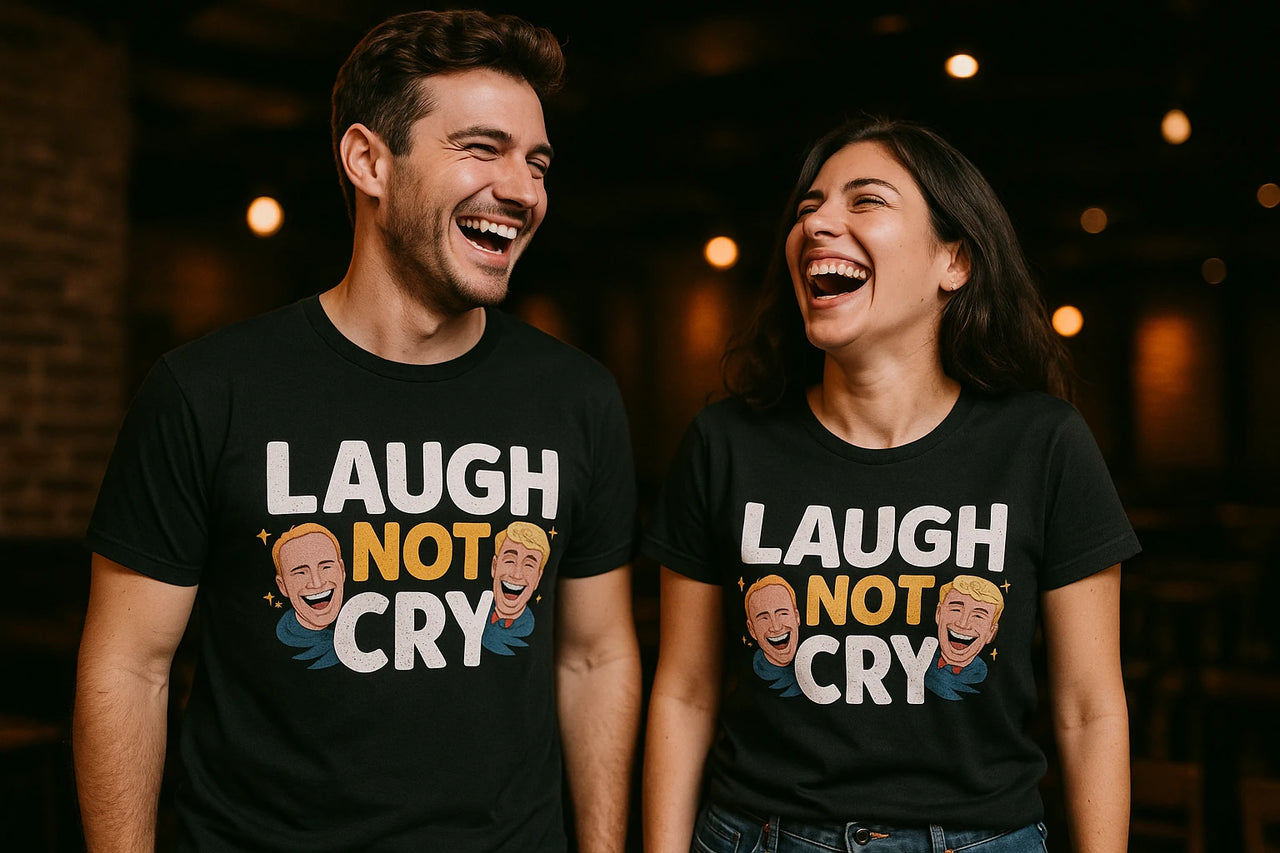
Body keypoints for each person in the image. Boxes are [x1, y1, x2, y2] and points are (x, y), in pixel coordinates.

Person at [73, 10, 642, 852]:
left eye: (537, 161)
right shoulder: (206, 390)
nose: (523, 189)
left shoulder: (578, 398)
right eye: (482, 149)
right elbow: (129, 667)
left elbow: (595, 658)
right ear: (369, 160)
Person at [641, 115, 1139, 853]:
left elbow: (1089, 706)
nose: (818, 224)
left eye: (864, 201)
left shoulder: (1043, 444)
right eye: (808, 208)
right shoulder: (726, 444)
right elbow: (684, 692)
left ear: (955, 260)